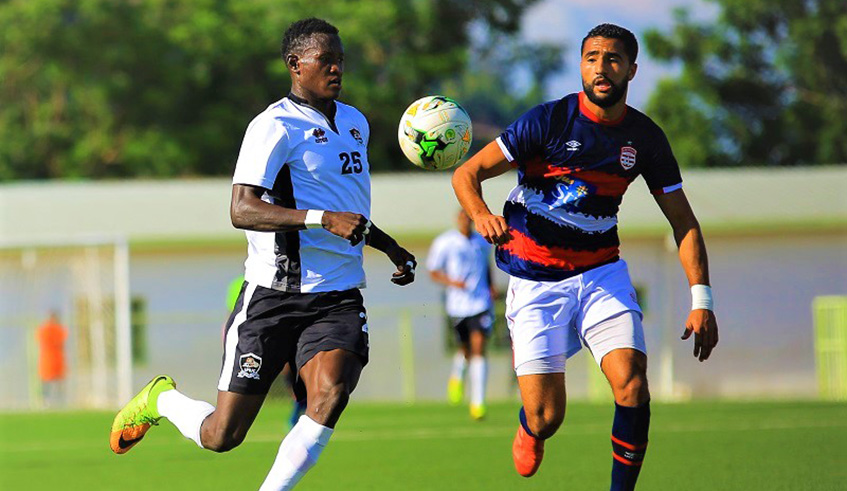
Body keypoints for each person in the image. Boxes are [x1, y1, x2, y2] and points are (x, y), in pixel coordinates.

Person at [110, 18, 417, 491]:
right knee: (221, 435)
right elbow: (241, 209)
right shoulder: (272, 126)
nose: (337, 68)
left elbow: (348, 211)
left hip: (337, 296)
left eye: (340, 59)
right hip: (273, 297)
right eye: (325, 60)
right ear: (296, 65)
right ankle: (162, 399)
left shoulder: (355, 123)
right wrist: (319, 218)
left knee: (331, 394)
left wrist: (391, 247)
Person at [451, 23, 719, 490]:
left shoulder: (646, 139)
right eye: (591, 57)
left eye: (612, 58)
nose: (601, 67)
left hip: (601, 273)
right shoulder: (548, 121)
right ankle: (530, 425)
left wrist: (703, 300)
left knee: (632, 382)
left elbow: (685, 224)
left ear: (632, 69)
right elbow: (467, 173)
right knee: (548, 415)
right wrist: (480, 214)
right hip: (535, 281)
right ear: (581, 65)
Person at [427, 209, 495, 420]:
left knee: (479, 347)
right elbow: (433, 271)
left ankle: (478, 402)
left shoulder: (482, 242)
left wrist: (491, 286)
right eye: (462, 218)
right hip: (457, 305)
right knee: (465, 349)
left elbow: (486, 266)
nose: (465, 222)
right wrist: (452, 282)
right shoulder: (445, 242)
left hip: (481, 303)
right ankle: (457, 375)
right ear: (457, 220)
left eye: (469, 219)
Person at [37, 311, 68, 408]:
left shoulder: (59, 329)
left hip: (57, 359)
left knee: (59, 381)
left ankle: (60, 401)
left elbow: (62, 340)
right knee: (46, 381)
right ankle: (45, 401)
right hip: (47, 359)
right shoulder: (45, 329)